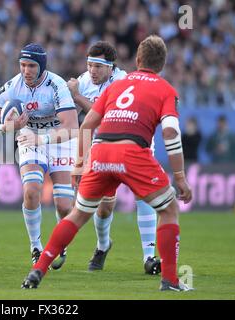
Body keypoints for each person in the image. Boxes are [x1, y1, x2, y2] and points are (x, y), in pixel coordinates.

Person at [22, 35, 193, 292]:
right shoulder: (166, 89)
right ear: (163, 63)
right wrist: (179, 176)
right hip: (133, 151)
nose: (93, 70)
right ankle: (170, 280)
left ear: (136, 60)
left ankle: (38, 269)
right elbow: (170, 132)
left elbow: (88, 123)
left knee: (79, 213)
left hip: (100, 152)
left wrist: (79, 164)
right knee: (167, 209)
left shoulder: (117, 86)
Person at [0, 43, 79, 269]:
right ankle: (35, 247)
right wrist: (7, 128)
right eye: (23, 65)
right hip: (29, 138)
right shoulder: (12, 86)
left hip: (59, 141)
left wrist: (42, 139)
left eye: (32, 66)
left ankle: (59, 244)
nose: (26, 70)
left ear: (42, 66)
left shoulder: (57, 85)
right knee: (31, 191)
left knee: (64, 206)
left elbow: (72, 126)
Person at [67, 40, 160, 273]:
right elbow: (72, 120)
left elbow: (108, 113)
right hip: (104, 148)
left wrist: (78, 97)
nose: (92, 71)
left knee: (144, 195)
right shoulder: (84, 81)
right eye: (89, 65)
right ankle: (102, 246)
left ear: (111, 67)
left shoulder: (123, 81)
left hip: (136, 143)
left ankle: (149, 257)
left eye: (98, 66)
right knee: (104, 207)